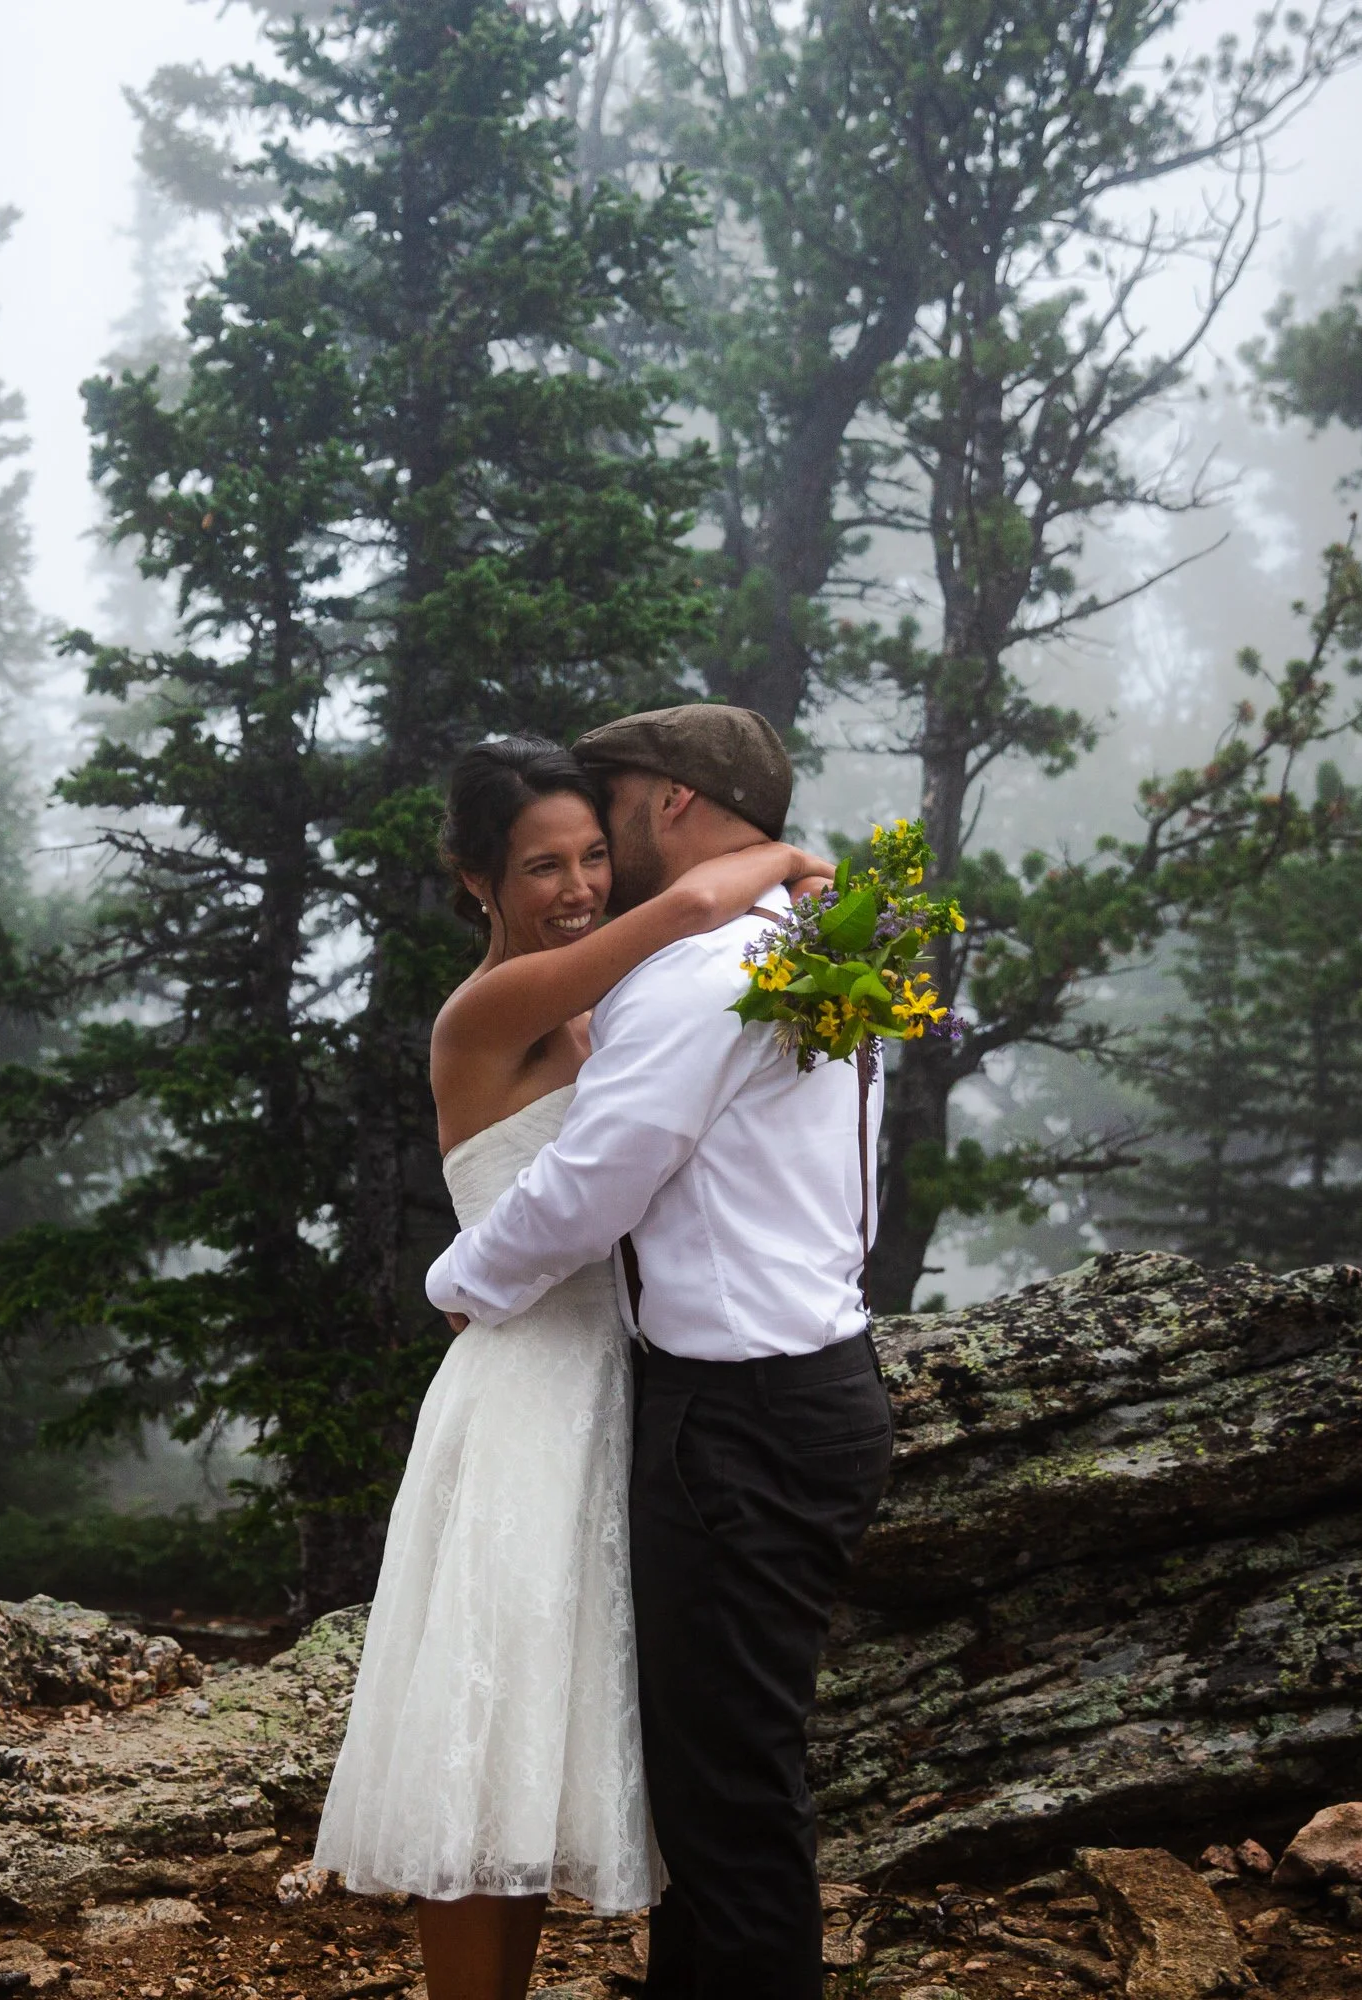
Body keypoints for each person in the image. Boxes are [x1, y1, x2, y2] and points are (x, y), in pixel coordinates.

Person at [312, 734, 830, 2000]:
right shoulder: (493, 1007)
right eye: (543, 864)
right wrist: (792, 858)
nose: (581, 884)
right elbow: (699, 901)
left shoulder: (598, 1002)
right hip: (524, 1405)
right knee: (482, 1758)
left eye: (595, 853)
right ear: (477, 879)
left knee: (539, 1752)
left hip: (616, 1391)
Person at [428, 703, 895, 2000]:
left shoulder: (707, 969)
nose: (596, 866)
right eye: (544, 859)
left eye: (611, 813)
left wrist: (455, 1280)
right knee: (706, 1791)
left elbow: (597, 1183)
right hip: (769, 1387)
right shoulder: (806, 940)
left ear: (674, 803)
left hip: (733, 1416)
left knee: (725, 1802)